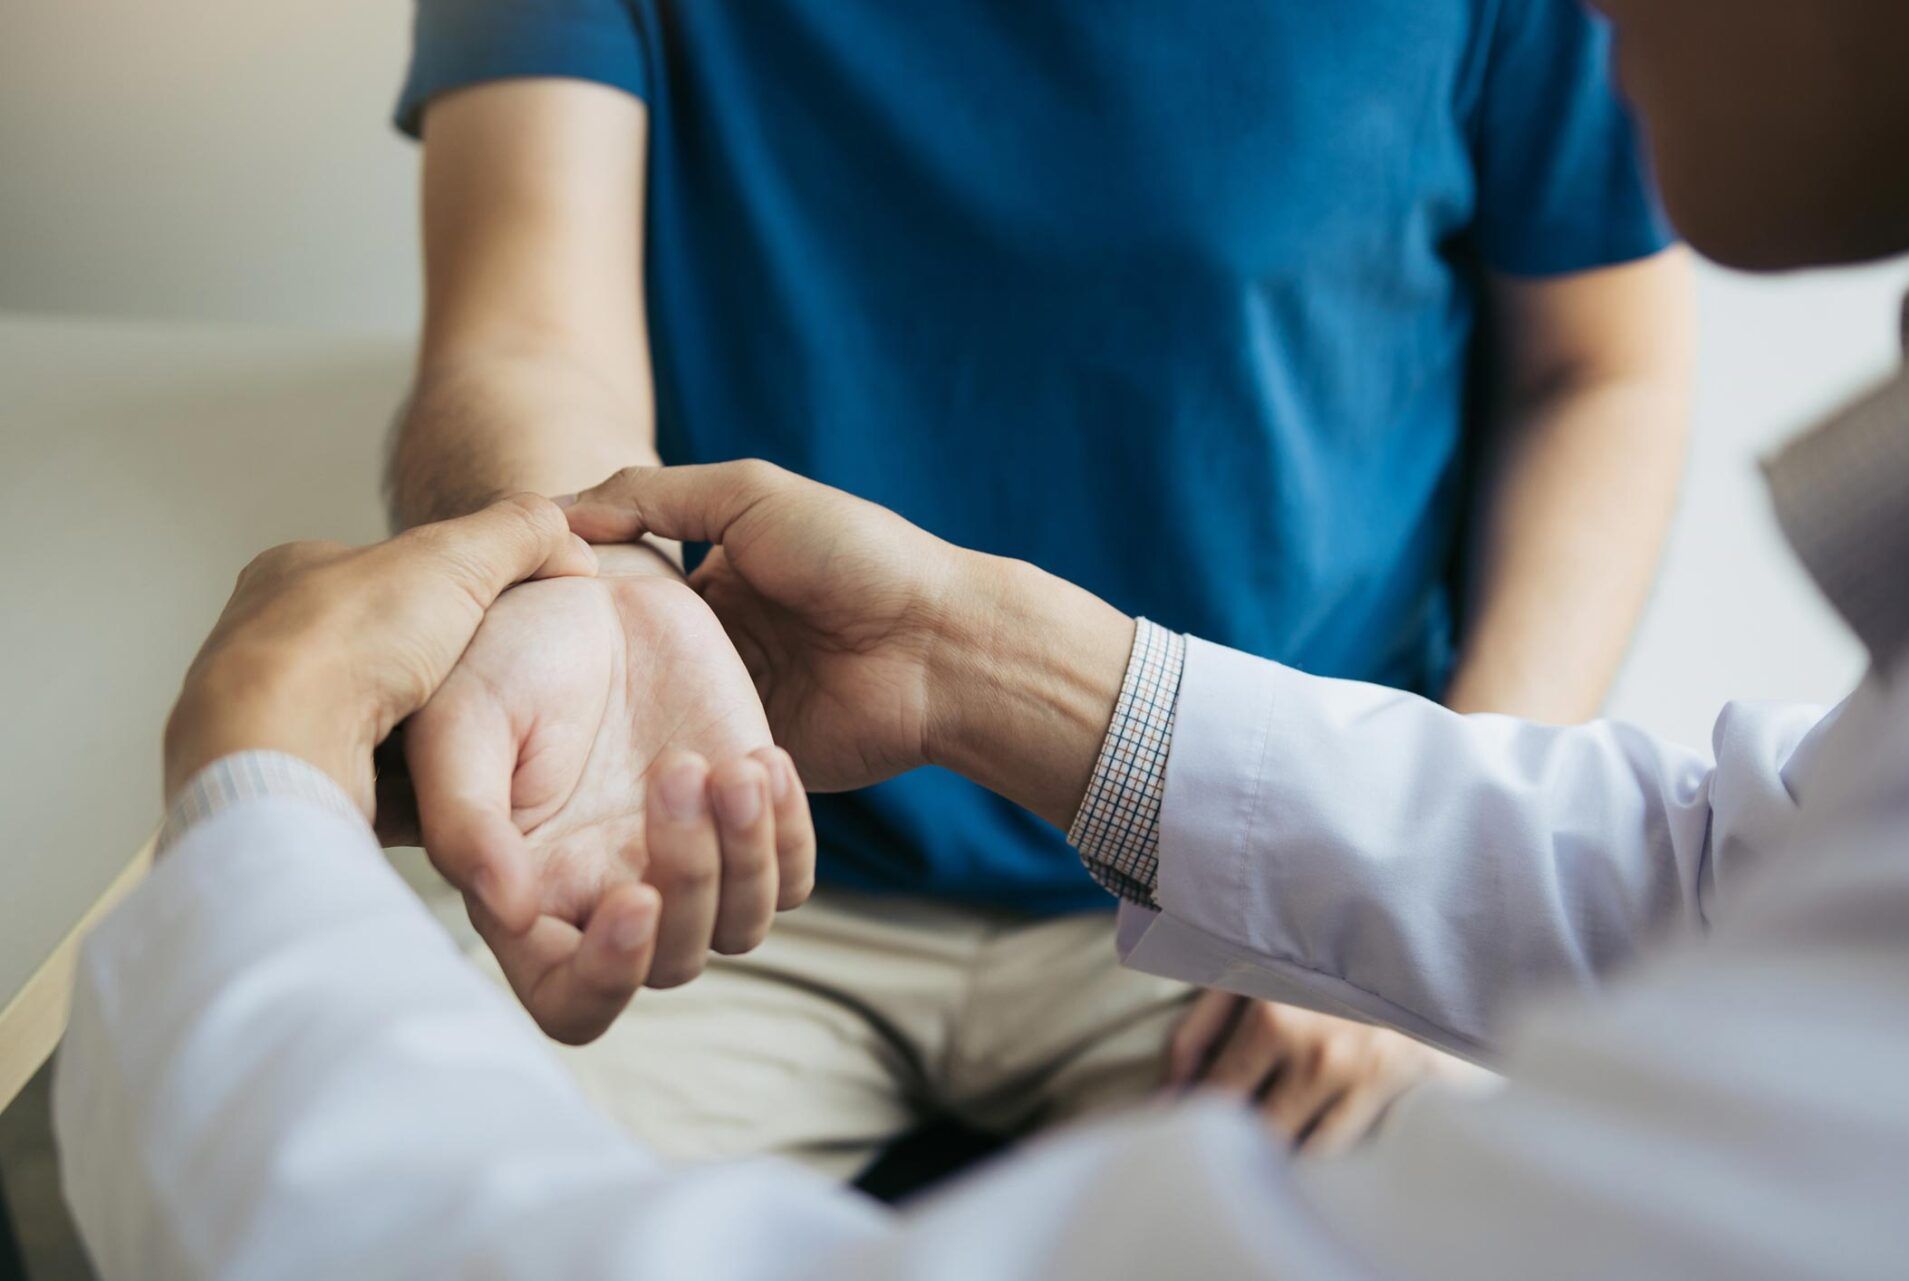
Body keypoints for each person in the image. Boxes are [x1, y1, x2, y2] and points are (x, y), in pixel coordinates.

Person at [56, 0, 1909, 1264]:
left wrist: (258, 800)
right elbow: (1705, 854)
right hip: (741, 858)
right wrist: (974, 666)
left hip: (1207, 972)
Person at [384, 0, 1694, 1162]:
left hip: (1260, 869)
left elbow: (1600, 370)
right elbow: (522, 334)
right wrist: (582, 597)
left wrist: (1412, 876)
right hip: (719, 847)